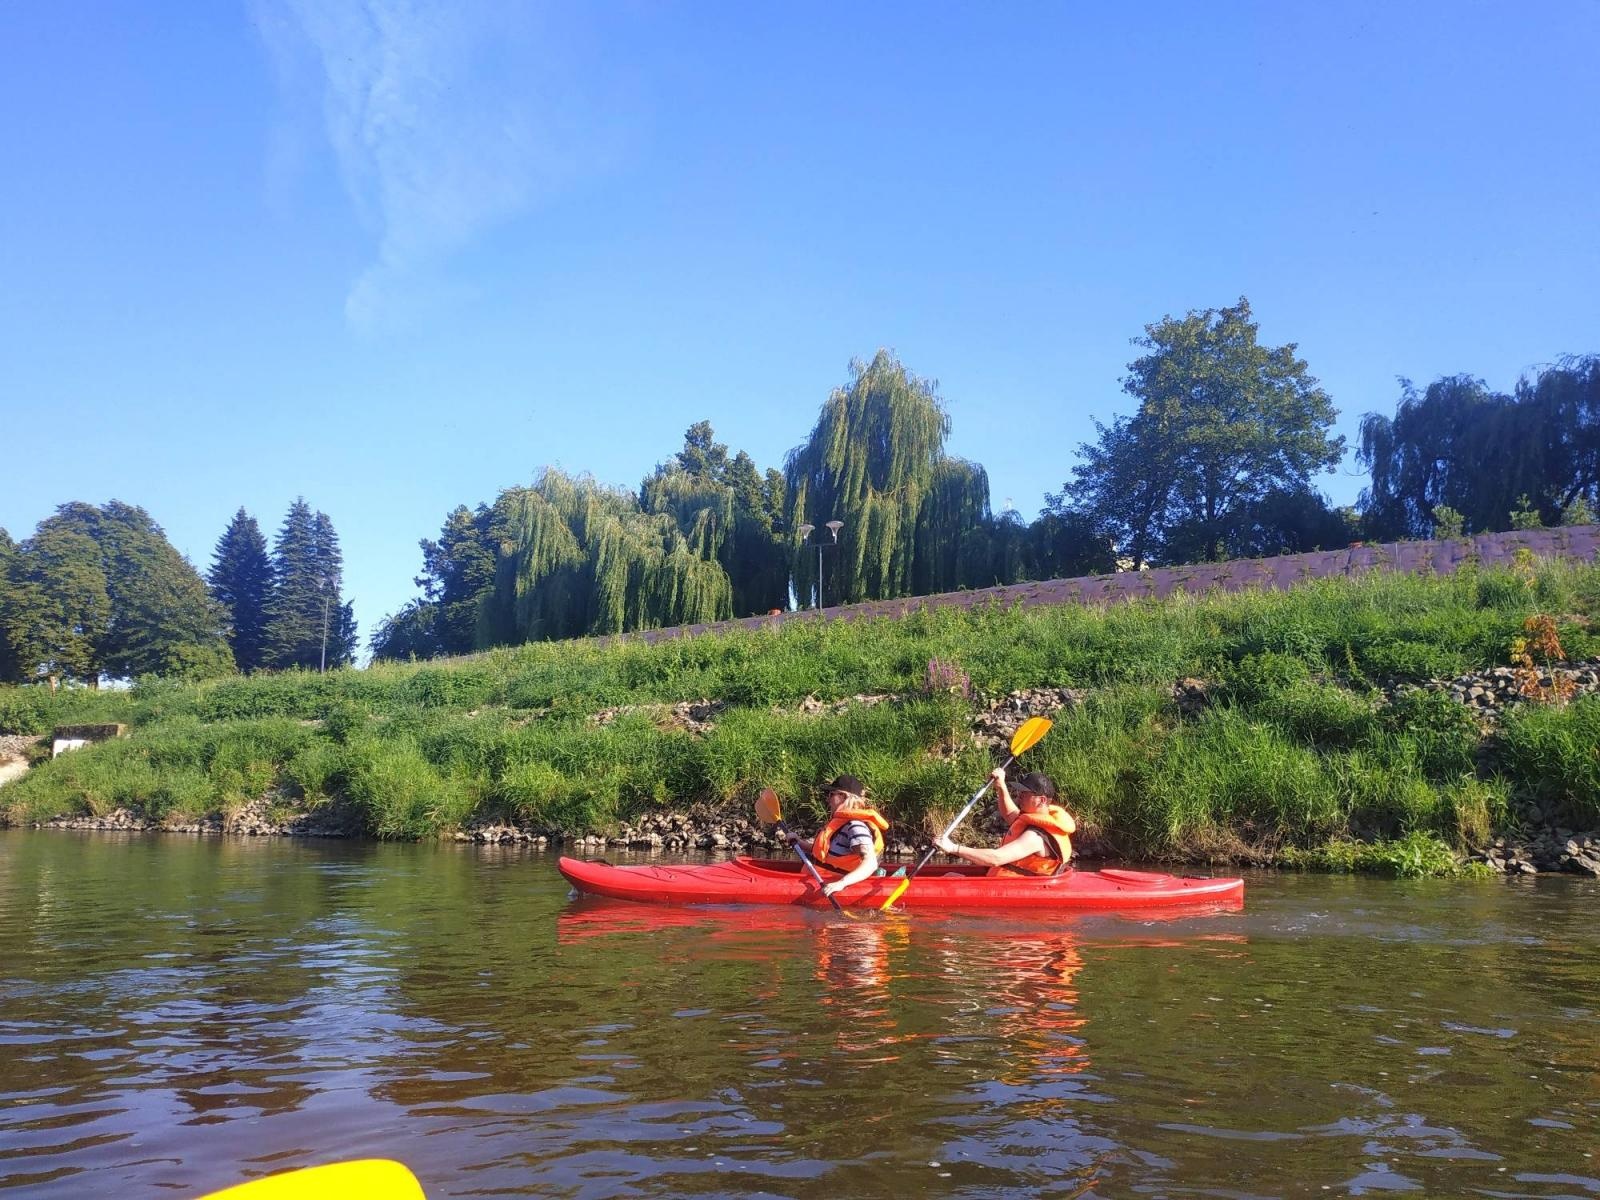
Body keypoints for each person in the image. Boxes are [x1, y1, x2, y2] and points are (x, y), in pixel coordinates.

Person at [934, 768, 1074, 876]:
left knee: (951, 877)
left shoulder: (1035, 838)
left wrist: (953, 848)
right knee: (951, 875)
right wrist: (1001, 786)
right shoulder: (1035, 819)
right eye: (1019, 792)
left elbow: (996, 858)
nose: (1019, 797)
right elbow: (1009, 813)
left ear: (1042, 800)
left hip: (1016, 888)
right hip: (1007, 883)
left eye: (1024, 793)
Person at [793, 774, 888, 898]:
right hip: (815, 878)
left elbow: (870, 863)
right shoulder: (842, 823)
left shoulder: (855, 826)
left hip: (835, 884)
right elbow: (828, 855)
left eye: (831, 794)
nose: (828, 799)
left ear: (843, 796)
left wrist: (841, 884)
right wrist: (800, 843)